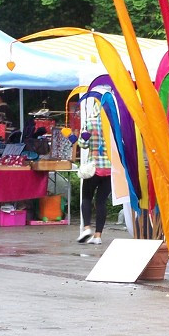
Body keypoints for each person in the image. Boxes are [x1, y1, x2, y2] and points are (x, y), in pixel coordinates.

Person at [76, 99, 111, 245]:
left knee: (86, 198)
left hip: (93, 167)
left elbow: (82, 145)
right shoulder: (114, 124)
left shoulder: (90, 122)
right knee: (101, 202)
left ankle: (87, 228)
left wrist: (84, 138)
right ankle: (98, 236)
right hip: (109, 167)